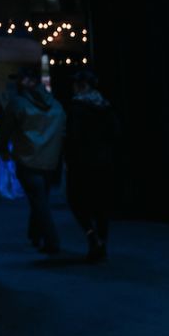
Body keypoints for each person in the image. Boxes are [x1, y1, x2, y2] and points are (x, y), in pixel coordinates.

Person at [0, 66, 66, 255]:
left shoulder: (18, 104)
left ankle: (52, 241)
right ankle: (34, 234)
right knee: (40, 198)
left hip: (28, 160)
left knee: (39, 201)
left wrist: (2, 150)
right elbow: (62, 131)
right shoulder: (55, 105)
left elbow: (4, 131)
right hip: (50, 161)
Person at [64, 69, 119, 261]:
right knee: (101, 204)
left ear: (81, 86)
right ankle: (100, 240)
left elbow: (73, 137)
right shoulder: (105, 106)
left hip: (82, 164)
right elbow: (115, 133)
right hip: (104, 162)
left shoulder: (77, 108)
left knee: (78, 202)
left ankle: (92, 236)